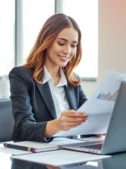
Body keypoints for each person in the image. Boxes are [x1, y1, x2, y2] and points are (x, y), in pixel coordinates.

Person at [9, 13, 88, 142]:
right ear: (47, 41)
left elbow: (87, 120)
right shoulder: (21, 76)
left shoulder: (72, 80)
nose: (68, 51)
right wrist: (58, 124)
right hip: (35, 156)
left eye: (73, 45)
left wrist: (99, 128)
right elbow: (23, 128)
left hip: (71, 154)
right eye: (61, 43)